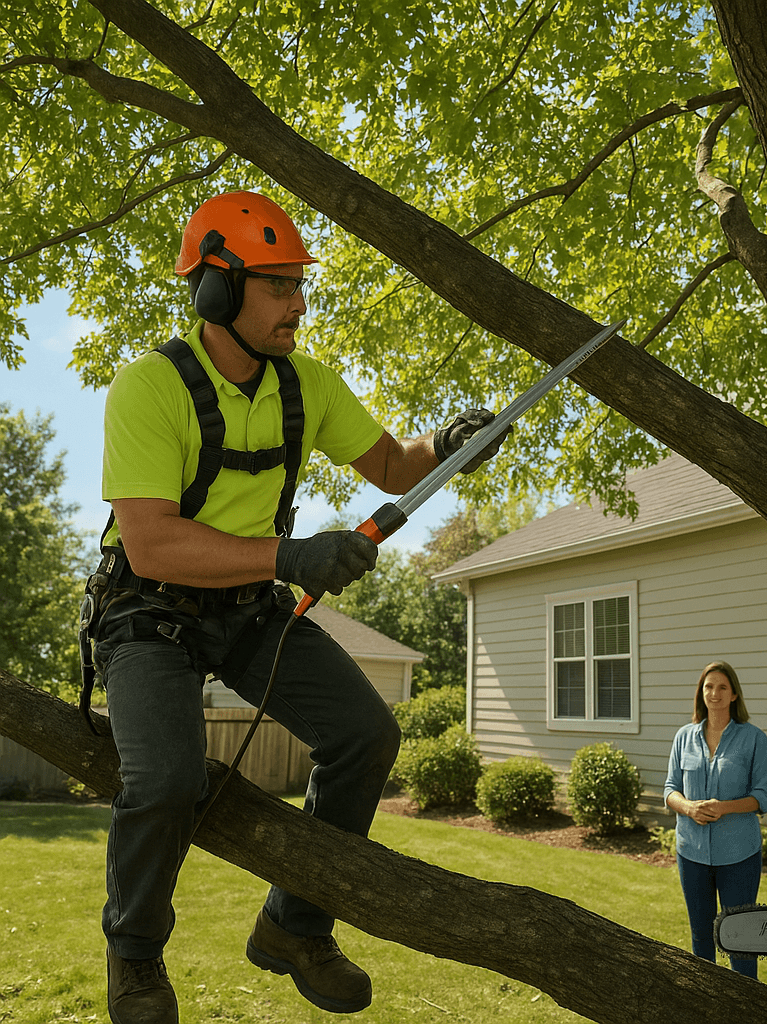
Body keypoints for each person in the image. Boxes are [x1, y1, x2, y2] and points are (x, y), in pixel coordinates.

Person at [81, 190, 510, 1024]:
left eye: (297, 284)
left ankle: (294, 926)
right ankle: (134, 952)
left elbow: (391, 463)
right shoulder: (147, 388)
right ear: (216, 289)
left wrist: (449, 446)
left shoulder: (306, 385)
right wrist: (293, 553)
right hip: (149, 613)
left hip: (249, 611)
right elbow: (151, 546)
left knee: (366, 733)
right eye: (278, 285)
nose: (299, 303)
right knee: (166, 780)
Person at [663, 660, 767, 979]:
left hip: (739, 855)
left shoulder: (754, 739)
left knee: (740, 937)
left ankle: (747, 1006)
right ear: (701, 692)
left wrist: (723, 807)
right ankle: (707, 1004)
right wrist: (689, 808)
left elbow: (763, 796)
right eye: (709, 686)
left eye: (722, 687)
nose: (714, 693)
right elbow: (670, 789)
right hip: (692, 854)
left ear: (734, 695)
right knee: (701, 938)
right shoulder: (684, 737)